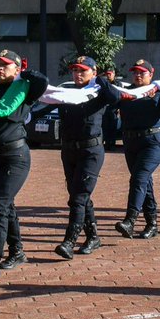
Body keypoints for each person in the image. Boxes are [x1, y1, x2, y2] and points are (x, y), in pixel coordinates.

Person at [0, 49, 49, 279]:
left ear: (17, 68)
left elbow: (42, 81)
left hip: (15, 157)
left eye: (6, 65)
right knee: (5, 206)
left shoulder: (24, 89)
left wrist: (23, 73)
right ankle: (17, 251)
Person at [53, 55, 122, 259]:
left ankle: (69, 242)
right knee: (79, 195)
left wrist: (101, 80)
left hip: (90, 151)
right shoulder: (67, 93)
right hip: (69, 150)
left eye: (83, 70)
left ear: (93, 71)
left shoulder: (98, 92)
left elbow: (115, 97)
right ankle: (93, 237)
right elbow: (45, 102)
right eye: (75, 70)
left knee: (78, 197)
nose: (78, 74)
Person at [115, 59, 160, 239]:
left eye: (142, 72)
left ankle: (130, 220)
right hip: (131, 142)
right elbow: (111, 102)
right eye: (135, 72)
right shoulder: (126, 92)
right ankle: (152, 223)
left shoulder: (157, 93)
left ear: (151, 74)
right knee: (144, 182)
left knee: (139, 178)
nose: (137, 75)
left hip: (153, 142)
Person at [101, 66, 122, 151]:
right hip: (105, 109)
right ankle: (106, 143)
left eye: (110, 74)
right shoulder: (104, 84)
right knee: (105, 127)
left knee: (113, 127)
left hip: (114, 109)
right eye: (107, 74)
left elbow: (119, 96)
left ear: (114, 74)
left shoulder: (118, 84)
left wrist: (119, 109)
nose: (108, 76)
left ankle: (112, 143)